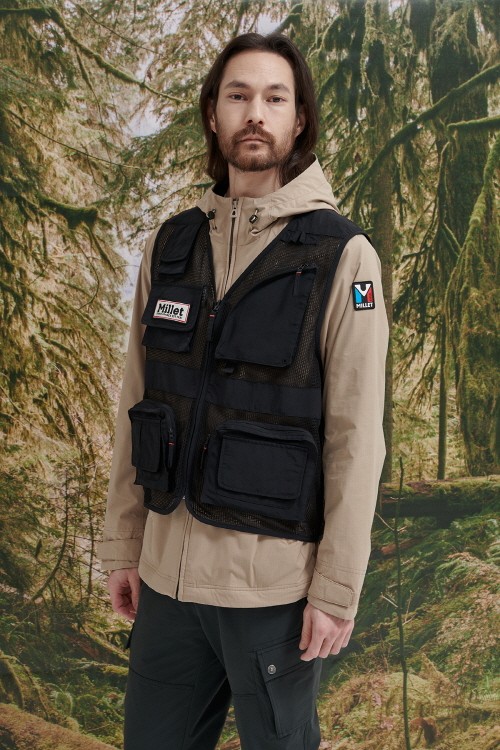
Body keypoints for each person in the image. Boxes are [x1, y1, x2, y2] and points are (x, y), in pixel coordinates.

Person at [97, 31, 388, 750]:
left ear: (299, 119)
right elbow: (137, 402)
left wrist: (336, 589)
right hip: (166, 585)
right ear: (213, 113)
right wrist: (124, 545)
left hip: (274, 594)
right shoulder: (170, 247)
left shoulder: (343, 256)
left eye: (274, 98)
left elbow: (356, 438)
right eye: (238, 95)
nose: (255, 113)